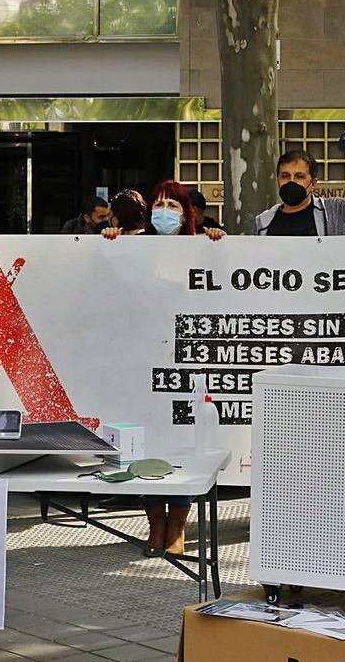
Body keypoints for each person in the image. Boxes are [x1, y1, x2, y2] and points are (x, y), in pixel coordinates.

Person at [101, 181, 220, 556]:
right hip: (143, 362)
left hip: (184, 361)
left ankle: (177, 530)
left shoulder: (203, 243)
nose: (164, 210)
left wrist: (220, 241)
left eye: (173, 204)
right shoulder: (137, 246)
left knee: (184, 445)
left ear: (188, 213)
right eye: (159, 204)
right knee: (148, 442)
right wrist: (110, 239)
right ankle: (156, 526)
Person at [254, 126, 345, 236]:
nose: (291, 181)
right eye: (285, 176)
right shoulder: (263, 222)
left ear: (313, 183)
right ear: (277, 179)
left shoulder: (337, 212)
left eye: (299, 176)